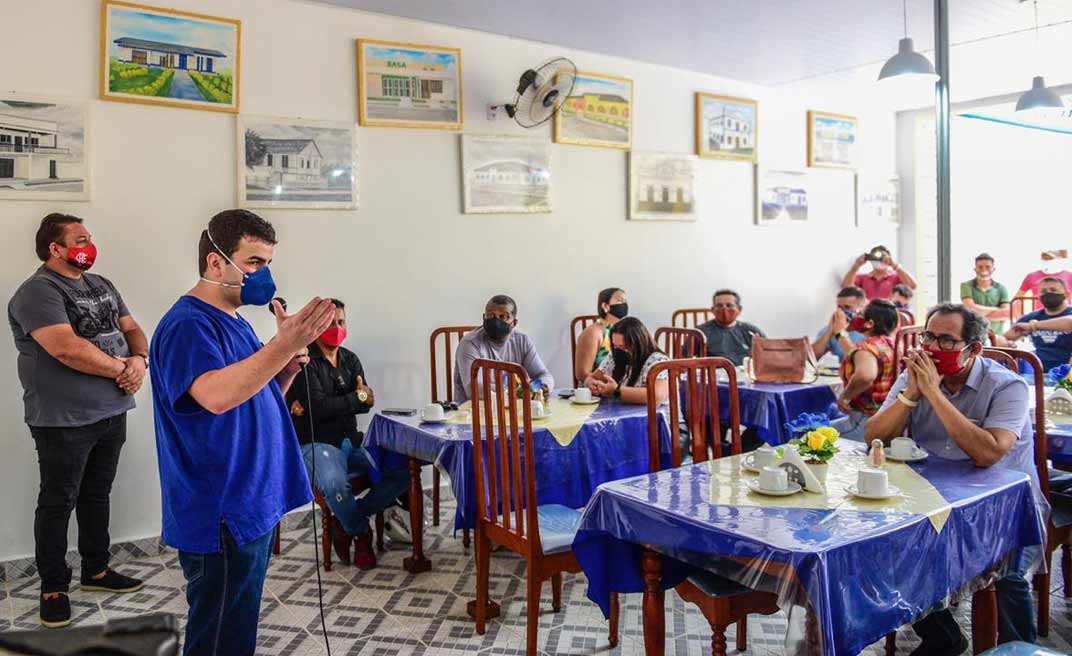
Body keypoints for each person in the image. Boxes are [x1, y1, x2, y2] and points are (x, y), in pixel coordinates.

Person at [150, 210, 336, 656]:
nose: (263, 275)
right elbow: (214, 396)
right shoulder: (188, 325)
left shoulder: (235, 321)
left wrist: (286, 367)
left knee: (237, 625)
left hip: (250, 500)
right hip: (222, 508)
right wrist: (283, 344)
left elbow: (252, 394)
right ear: (216, 263)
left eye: (267, 263)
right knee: (220, 635)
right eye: (253, 263)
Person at [865, 303, 1040, 649]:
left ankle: (1018, 646)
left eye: (945, 341)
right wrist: (913, 394)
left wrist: (933, 392)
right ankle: (944, 639)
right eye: (928, 336)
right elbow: (874, 437)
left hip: (1003, 505)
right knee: (884, 550)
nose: (931, 347)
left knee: (1008, 574)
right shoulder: (914, 376)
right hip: (933, 496)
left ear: (973, 349)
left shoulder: (1008, 386)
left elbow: (988, 453)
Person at [7, 213, 149, 628]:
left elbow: (133, 328)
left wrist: (139, 359)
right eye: (81, 239)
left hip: (111, 410)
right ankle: (53, 587)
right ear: (56, 248)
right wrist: (124, 371)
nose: (90, 244)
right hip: (63, 419)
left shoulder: (101, 285)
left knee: (96, 495)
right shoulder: (37, 291)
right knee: (57, 501)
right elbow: (65, 348)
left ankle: (96, 570)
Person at [286, 299, 410, 570]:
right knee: (334, 485)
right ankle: (361, 533)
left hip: (352, 440)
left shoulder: (350, 358)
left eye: (341, 322)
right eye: (331, 323)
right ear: (317, 327)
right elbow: (320, 409)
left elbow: (368, 402)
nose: (337, 328)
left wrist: (353, 399)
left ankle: (348, 523)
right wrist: (355, 397)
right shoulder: (305, 361)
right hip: (316, 443)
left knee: (403, 473)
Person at [454, 294, 554, 403]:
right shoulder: (470, 343)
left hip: (514, 411)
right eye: (490, 315)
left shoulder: (522, 341)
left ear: (514, 323)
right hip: (472, 413)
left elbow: (543, 374)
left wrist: (544, 386)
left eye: (503, 317)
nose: (495, 320)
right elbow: (473, 389)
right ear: (484, 318)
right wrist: (518, 390)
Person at [832, 300, 899, 441]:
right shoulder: (892, 345)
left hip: (863, 421)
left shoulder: (866, 348)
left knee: (809, 437)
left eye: (860, 314)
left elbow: (865, 376)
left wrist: (845, 397)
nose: (856, 316)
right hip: (886, 418)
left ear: (869, 323)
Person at [585, 317, 669, 405]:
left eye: (624, 346)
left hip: (655, 416)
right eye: (616, 346)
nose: (621, 350)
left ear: (638, 342)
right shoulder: (616, 354)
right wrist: (590, 383)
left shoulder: (658, 361)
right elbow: (593, 378)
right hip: (625, 412)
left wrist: (617, 391)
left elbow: (656, 396)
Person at [1006, 277, 1072, 370]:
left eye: (1053, 290)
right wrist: (1007, 343)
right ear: (1038, 296)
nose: (1048, 293)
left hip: (1067, 370)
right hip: (1037, 370)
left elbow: (1069, 323)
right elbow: (1007, 337)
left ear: (1067, 294)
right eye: (1043, 291)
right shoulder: (1032, 317)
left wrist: (1033, 326)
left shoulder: (1069, 313)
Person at [696, 289, 765, 366]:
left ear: (739, 309)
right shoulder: (700, 332)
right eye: (719, 306)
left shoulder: (751, 331)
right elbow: (684, 357)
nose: (724, 309)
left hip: (746, 374)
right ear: (712, 310)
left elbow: (767, 355)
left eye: (729, 305)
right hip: (713, 375)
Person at [574, 287, 628, 384]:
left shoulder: (628, 330)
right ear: (605, 306)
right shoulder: (593, 333)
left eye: (625, 301)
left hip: (624, 389)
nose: (624, 304)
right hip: (597, 391)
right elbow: (582, 373)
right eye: (620, 301)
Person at [841, 245, 917, 301]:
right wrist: (856, 266)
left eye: (882, 257)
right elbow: (846, 288)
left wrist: (894, 265)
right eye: (875, 257)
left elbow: (912, 286)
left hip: (891, 314)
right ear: (870, 259)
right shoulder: (863, 278)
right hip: (869, 313)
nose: (879, 260)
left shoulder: (896, 277)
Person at [812, 286, 867, 363]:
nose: (842, 311)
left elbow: (858, 359)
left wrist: (840, 332)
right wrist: (830, 331)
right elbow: (811, 358)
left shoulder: (869, 330)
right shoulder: (832, 328)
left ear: (862, 307)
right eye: (839, 307)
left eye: (847, 307)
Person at [960, 253, 1010, 333]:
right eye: (980, 267)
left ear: (993, 269)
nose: (984, 270)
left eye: (988, 267)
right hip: (973, 334)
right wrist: (997, 310)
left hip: (996, 334)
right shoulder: (966, 286)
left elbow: (1006, 314)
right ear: (975, 269)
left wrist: (978, 312)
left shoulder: (1001, 288)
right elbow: (970, 308)